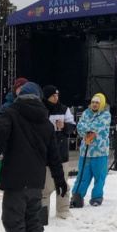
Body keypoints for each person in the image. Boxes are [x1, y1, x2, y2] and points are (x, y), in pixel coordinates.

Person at [0, 82, 66, 232]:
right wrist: (60, 180)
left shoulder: (10, 113)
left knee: (15, 227)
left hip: (15, 182)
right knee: (34, 225)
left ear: (20, 97)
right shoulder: (46, 122)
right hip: (35, 183)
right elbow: (54, 155)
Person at [40, 85, 75, 221]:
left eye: (57, 95)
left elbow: (72, 126)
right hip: (45, 154)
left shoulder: (64, 109)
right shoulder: (41, 109)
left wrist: (64, 126)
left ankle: (63, 209)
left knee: (63, 182)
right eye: (53, 96)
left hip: (61, 153)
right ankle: (43, 212)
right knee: (46, 186)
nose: (56, 98)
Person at [73, 93, 111, 207]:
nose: (94, 104)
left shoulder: (106, 115)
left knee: (99, 177)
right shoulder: (86, 113)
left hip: (100, 152)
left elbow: (98, 126)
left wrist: (87, 127)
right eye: (93, 102)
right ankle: (77, 197)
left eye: (97, 103)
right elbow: (79, 127)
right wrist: (88, 128)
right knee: (82, 176)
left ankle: (96, 197)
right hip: (86, 152)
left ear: (102, 104)